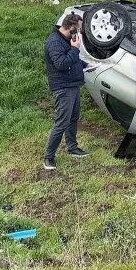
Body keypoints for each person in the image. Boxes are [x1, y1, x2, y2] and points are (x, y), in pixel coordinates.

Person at [43, 13, 90, 170]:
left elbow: (71, 59)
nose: (80, 32)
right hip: (63, 88)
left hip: (73, 84)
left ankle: (73, 147)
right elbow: (61, 63)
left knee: (73, 118)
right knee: (62, 122)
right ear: (71, 28)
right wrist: (76, 49)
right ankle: (49, 158)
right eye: (79, 29)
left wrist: (84, 64)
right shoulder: (54, 42)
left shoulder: (65, 39)